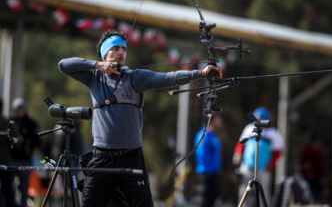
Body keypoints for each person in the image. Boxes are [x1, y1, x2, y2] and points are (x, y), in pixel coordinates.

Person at [58, 29, 222, 207]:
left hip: (131, 156)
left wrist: (202, 73)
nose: (121, 52)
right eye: (116, 48)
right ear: (105, 53)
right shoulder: (93, 77)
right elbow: (64, 65)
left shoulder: (136, 78)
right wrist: (97, 65)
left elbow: (169, 78)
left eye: (124, 49)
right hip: (102, 158)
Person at [232, 107, 283, 206]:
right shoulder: (248, 128)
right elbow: (240, 144)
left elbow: (278, 152)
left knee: (263, 194)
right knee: (244, 192)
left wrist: (270, 166)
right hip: (247, 167)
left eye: (259, 117)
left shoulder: (273, 133)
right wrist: (237, 157)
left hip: (264, 169)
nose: (257, 119)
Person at [11, 97, 41, 207]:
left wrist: (27, 142)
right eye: (17, 110)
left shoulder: (31, 124)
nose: (19, 112)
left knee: (24, 188)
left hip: (25, 160)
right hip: (12, 160)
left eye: (20, 109)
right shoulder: (11, 122)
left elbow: (37, 142)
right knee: (10, 187)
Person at [194, 113, 223, 207]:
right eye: (218, 119)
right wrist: (210, 170)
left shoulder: (214, 135)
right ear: (212, 121)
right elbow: (202, 153)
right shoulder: (204, 135)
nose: (220, 121)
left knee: (212, 198)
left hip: (214, 171)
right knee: (207, 198)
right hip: (207, 172)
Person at [0, 99, 17, 207]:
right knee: (8, 189)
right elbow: (15, 144)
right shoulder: (7, 123)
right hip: (6, 161)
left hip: (5, 161)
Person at [299, 134, 325, 201]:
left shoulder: (305, 150)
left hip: (305, 175)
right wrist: (322, 176)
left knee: (306, 194)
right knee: (314, 195)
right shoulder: (316, 150)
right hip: (314, 176)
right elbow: (319, 164)